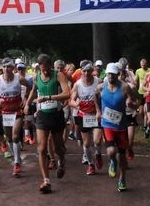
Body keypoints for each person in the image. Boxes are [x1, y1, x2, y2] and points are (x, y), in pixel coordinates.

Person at [24, 53, 72, 193]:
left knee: (58, 148)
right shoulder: (36, 76)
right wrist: (27, 103)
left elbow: (67, 94)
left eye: (46, 69)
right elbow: (34, 91)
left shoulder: (58, 75)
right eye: (42, 68)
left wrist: (48, 97)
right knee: (42, 148)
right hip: (42, 116)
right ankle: (46, 180)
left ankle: (61, 163)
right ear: (39, 67)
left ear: (50, 66)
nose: (44, 71)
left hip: (56, 115)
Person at [99, 63, 136, 192]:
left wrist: (131, 104)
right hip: (107, 125)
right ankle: (112, 162)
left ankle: (123, 178)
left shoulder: (125, 87)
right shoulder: (102, 86)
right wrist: (98, 111)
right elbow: (94, 95)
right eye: (108, 74)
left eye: (113, 74)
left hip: (121, 127)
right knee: (110, 152)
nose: (110, 77)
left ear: (117, 75)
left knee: (122, 155)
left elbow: (135, 102)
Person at [69, 62, 102, 176]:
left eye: (88, 70)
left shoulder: (98, 81)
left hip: (96, 115)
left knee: (97, 141)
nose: (86, 73)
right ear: (81, 71)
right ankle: (91, 165)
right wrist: (76, 104)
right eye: (84, 71)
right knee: (87, 144)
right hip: (84, 116)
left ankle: (98, 154)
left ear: (92, 70)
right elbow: (71, 100)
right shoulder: (78, 84)